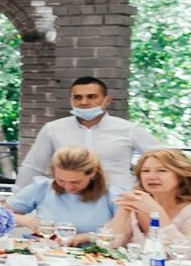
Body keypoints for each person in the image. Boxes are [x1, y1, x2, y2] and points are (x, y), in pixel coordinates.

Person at [18, 76, 160, 188]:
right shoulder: (53, 129)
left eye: (91, 97)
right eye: (77, 97)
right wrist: (18, 195)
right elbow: (33, 166)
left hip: (117, 199)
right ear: (70, 100)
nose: (84, 102)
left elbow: (165, 159)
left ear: (107, 100)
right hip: (68, 197)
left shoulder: (129, 129)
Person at [100, 148, 191, 261]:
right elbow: (106, 246)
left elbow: (186, 253)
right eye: (145, 171)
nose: (151, 176)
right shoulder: (139, 203)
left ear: (181, 175)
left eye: (162, 171)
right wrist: (123, 211)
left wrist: (156, 211)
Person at [6, 145, 115, 241]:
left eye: (75, 182)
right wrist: (26, 220)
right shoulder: (41, 188)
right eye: (61, 180)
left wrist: (89, 237)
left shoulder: (112, 195)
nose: (68, 187)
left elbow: (122, 236)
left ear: (93, 172)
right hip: (46, 254)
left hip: (92, 258)